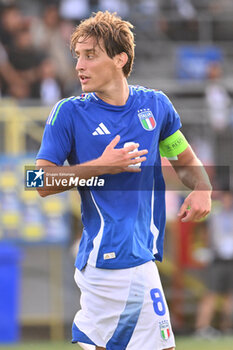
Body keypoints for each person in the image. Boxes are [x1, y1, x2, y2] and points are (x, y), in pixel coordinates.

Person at [35, 11, 212, 350]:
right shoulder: (69, 113)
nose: (79, 66)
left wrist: (202, 188)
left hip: (138, 255)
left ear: (120, 58)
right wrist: (100, 165)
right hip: (110, 259)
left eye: (91, 55)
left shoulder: (155, 107)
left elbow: (185, 160)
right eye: (78, 57)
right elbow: (38, 180)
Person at [195, 191, 233, 338]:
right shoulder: (214, 215)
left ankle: (227, 327)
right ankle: (202, 327)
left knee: (230, 296)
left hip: (231, 259)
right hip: (217, 259)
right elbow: (204, 233)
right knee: (210, 294)